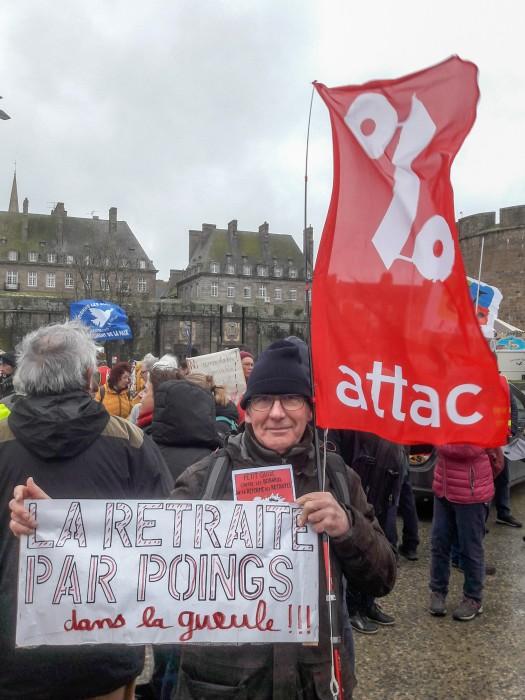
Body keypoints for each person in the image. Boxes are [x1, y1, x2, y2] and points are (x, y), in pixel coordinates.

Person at [168, 340, 396, 697]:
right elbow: (148, 571)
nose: (277, 413)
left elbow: (383, 578)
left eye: (291, 399)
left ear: (309, 410)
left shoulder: (335, 476)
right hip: (222, 685)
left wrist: (348, 529)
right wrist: (58, 537)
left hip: (314, 684)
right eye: (263, 400)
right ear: (246, 410)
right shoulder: (205, 478)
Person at [2, 321, 174, 700]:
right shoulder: (131, 441)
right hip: (105, 651)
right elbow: (165, 542)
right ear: (88, 378)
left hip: (12, 655)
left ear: (23, 379)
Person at [429, 444, 502, 621]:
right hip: (444, 488)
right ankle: (437, 591)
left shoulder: (478, 420)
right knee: (439, 543)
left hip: (471, 492)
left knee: (470, 549)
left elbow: (470, 450)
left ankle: (473, 598)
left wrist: (440, 442)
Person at [494, 374, 522, 528]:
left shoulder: (503, 382)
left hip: (501, 439)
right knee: (482, 480)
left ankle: (503, 513)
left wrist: (512, 430)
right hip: (483, 440)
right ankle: (479, 519)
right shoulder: (475, 379)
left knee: (503, 478)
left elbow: (513, 407)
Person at [0, 351, 17, 416]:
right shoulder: (4, 381)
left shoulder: (20, 386)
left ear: (14, 366)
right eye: (0, 365)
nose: (1, 368)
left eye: (4, 365)